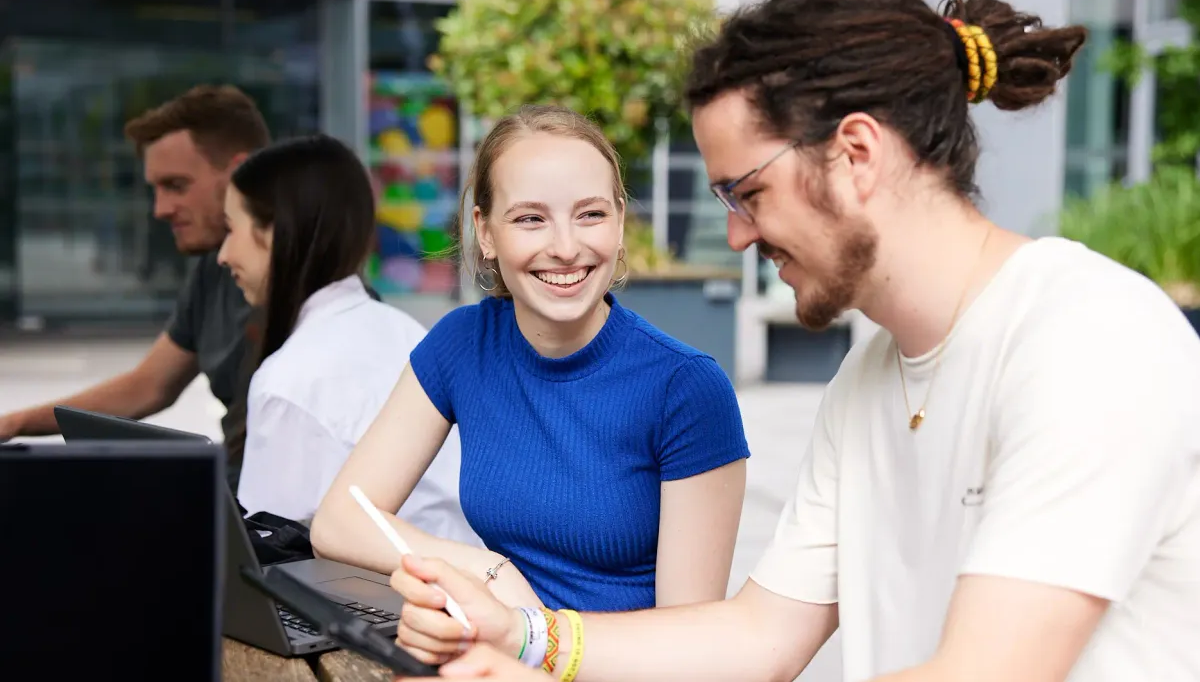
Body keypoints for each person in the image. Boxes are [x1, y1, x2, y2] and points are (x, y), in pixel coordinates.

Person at [383, 0, 1200, 681]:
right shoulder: (868, 379)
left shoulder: (1090, 343)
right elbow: (760, 638)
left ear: (857, 154)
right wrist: (524, 637)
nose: (735, 237)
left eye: (746, 194)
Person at [311, 105, 751, 615]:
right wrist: (484, 570)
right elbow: (340, 520)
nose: (566, 247)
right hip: (494, 655)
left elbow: (687, 650)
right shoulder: (463, 343)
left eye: (590, 214)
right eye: (530, 219)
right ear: (487, 233)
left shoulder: (686, 387)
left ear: (620, 220)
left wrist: (540, 640)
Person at [0, 86, 268, 485]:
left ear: (238, 174)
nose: (159, 210)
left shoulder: (309, 283)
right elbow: (148, 386)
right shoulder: (213, 265)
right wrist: (14, 423)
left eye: (176, 185)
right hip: (233, 491)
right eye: (155, 189)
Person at [218, 134, 478, 543]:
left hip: (377, 597)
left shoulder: (289, 380)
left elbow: (267, 555)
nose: (223, 254)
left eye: (231, 229)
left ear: (273, 235)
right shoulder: (403, 330)